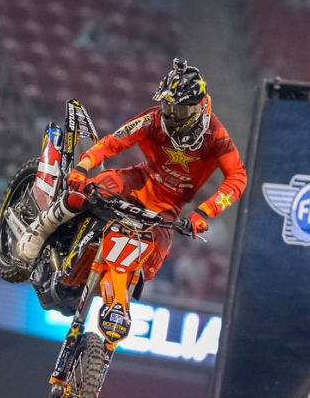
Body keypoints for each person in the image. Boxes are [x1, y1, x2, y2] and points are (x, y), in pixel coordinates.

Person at [16, 59, 247, 282]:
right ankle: (41, 228)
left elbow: (237, 176)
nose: (169, 114)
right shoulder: (153, 119)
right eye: (167, 106)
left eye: (178, 109)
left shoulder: (216, 135)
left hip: (167, 209)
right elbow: (113, 142)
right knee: (86, 191)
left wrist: (205, 212)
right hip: (137, 181)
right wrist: (82, 168)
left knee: (149, 267)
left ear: (199, 108)